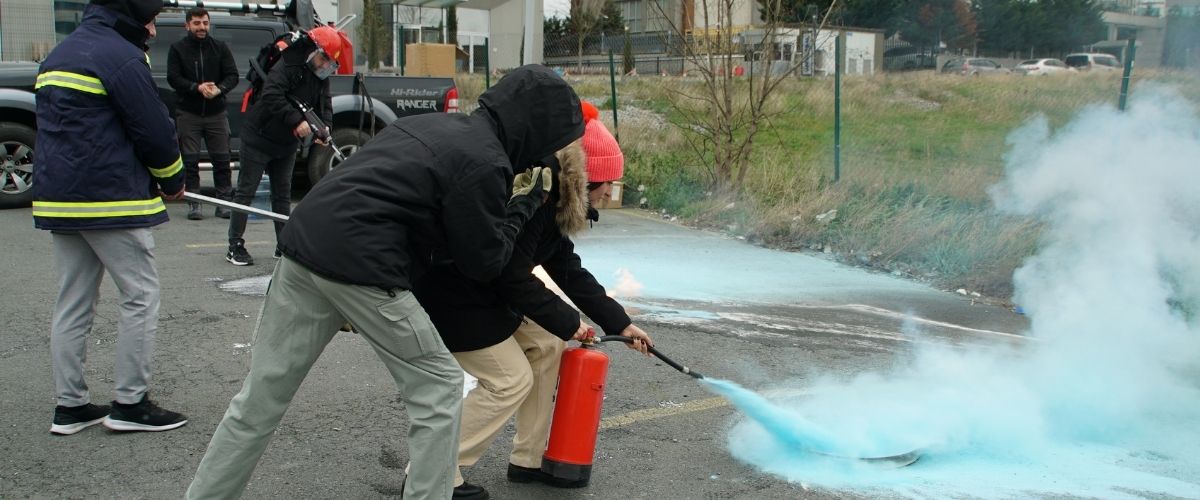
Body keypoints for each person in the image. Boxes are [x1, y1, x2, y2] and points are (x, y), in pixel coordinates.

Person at [185, 65, 584, 500]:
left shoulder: (428, 124)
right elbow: (484, 263)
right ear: (537, 129)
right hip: (362, 265)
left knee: (258, 401)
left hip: (302, 247)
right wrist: (524, 204)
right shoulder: (486, 162)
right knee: (439, 387)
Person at [412, 101, 653, 498]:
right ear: (586, 177)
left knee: (546, 344)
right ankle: (434, 472)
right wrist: (570, 320)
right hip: (454, 295)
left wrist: (620, 323)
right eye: (608, 182)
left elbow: (565, 266)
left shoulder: (558, 199)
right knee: (509, 382)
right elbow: (511, 275)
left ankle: (529, 458)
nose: (611, 193)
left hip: (482, 292)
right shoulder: (537, 197)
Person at [34, 0, 188, 435]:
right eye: (153, 19)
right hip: (111, 201)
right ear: (132, 14)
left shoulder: (59, 55)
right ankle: (130, 403)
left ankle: (70, 407)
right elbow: (152, 128)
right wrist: (172, 178)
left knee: (72, 302)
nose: (155, 30)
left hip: (59, 202)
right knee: (140, 295)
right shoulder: (120, 56)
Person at [224, 26, 338, 266]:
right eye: (324, 57)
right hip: (259, 137)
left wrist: (324, 127)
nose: (325, 64)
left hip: (286, 143)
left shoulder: (320, 74)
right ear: (313, 49)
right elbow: (271, 95)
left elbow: (324, 103)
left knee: (282, 195)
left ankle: (283, 244)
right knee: (246, 192)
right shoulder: (287, 64)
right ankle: (235, 245)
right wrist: (296, 120)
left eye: (330, 60)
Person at [167, 6, 238, 221]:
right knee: (190, 160)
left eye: (205, 23)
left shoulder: (220, 47)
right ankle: (194, 203)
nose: (202, 27)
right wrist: (195, 87)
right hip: (189, 113)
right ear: (187, 25)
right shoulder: (177, 49)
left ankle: (223, 202)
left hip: (216, 112)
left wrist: (219, 89)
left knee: (222, 160)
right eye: (197, 23)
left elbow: (232, 75)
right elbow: (173, 77)